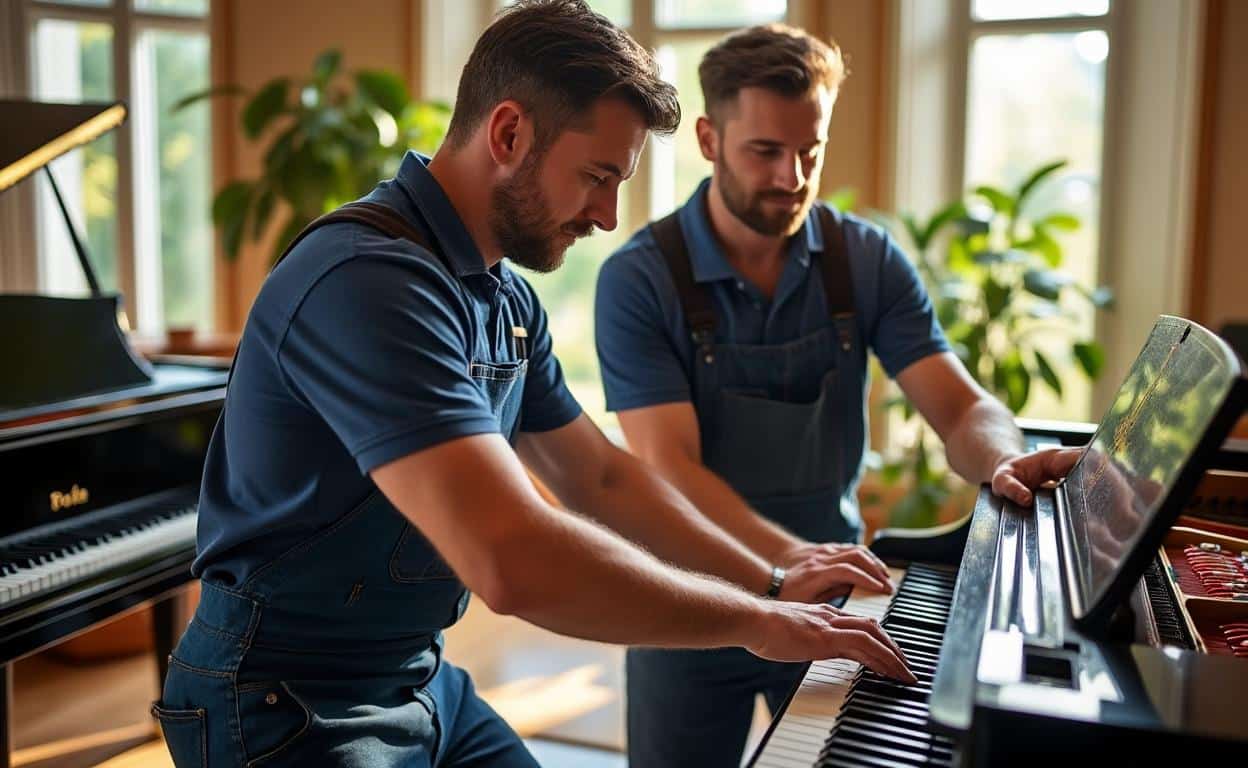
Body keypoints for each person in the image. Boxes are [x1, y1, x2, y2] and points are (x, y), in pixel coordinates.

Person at [152, 4, 917, 767]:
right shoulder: (367, 282)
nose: (609, 215)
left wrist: (773, 578)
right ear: (509, 133)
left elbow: (602, 475)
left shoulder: (504, 299)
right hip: (284, 699)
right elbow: (510, 558)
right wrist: (754, 619)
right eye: (597, 176)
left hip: (418, 678)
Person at [594, 24, 1082, 767]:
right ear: (707, 138)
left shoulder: (865, 259)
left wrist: (1004, 460)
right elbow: (671, 472)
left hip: (833, 605)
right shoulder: (639, 280)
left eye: (810, 151)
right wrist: (787, 567)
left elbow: (960, 407)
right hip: (688, 608)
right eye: (766, 151)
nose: (793, 175)